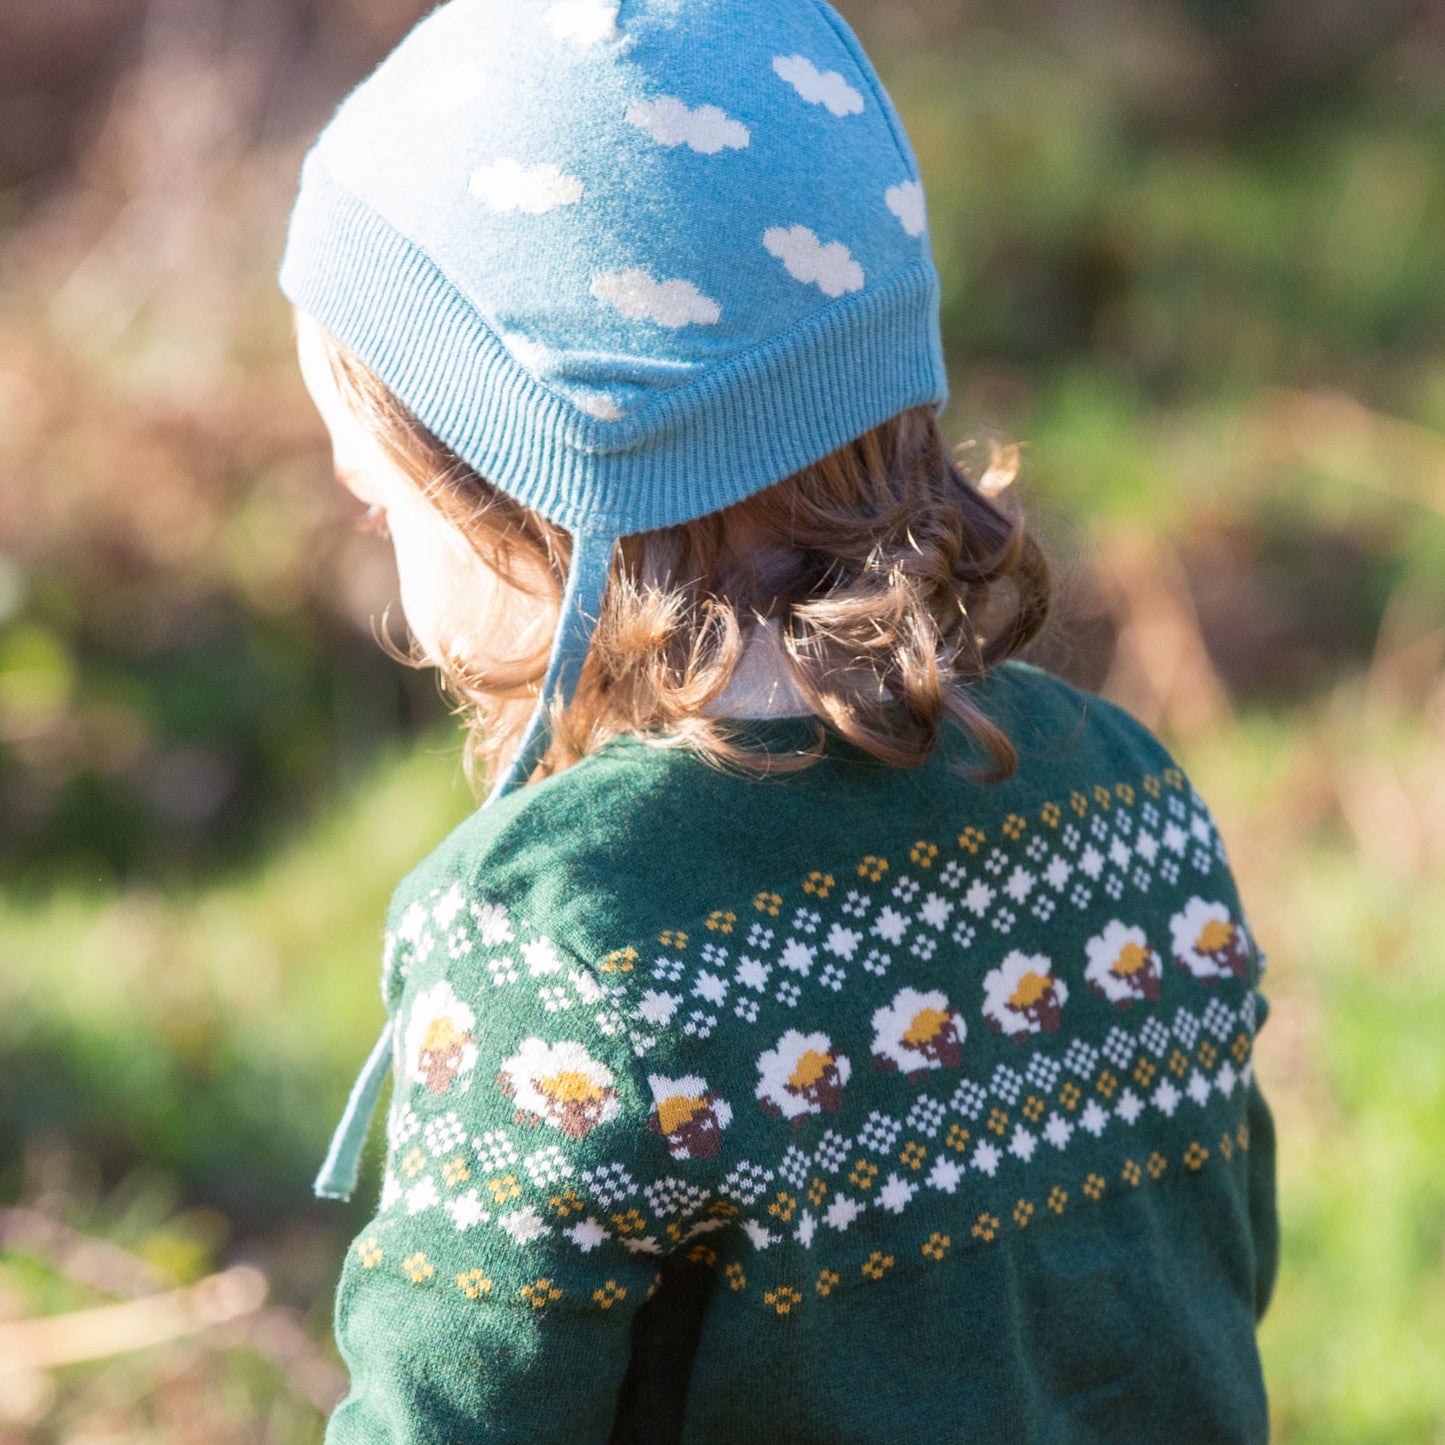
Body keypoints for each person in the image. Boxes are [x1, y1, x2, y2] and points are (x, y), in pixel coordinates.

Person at [280, 1, 1278, 1439]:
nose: (382, 562)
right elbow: (1202, 1286)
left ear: (522, 488)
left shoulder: (562, 942)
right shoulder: (1124, 799)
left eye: (377, 504)